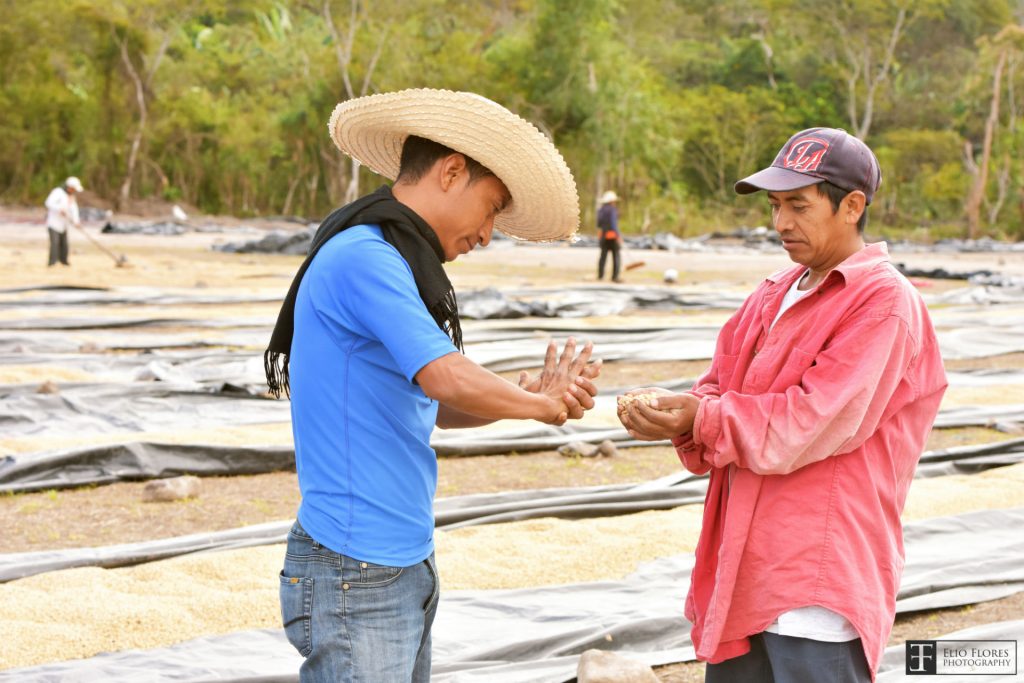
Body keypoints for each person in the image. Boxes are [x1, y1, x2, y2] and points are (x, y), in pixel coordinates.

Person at [265, 88, 602, 683]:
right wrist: (539, 405)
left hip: (396, 560)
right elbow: (445, 375)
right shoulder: (365, 258)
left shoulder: (392, 259)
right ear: (451, 172)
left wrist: (523, 391)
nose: (489, 233)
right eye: (493, 207)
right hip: (356, 569)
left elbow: (439, 405)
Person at [617, 127, 947, 682]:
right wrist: (680, 413)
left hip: (816, 582)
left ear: (853, 206)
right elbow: (718, 382)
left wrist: (702, 417)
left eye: (798, 205)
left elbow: (813, 421)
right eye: (774, 205)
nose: (781, 223)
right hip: (747, 568)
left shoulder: (884, 302)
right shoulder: (775, 290)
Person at [44, 176, 83, 266]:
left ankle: (63, 260)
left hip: (64, 224)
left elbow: (74, 209)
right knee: (55, 243)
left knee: (64, 243)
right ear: (69, 187)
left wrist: (76, 221)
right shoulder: (58, 192)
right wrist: (59, 209)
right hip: (54, 223)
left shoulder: (71, 197)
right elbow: (48, 203)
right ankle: (52, 262)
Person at [596, 189, 623, 282]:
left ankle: (600, 275)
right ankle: (615, 277)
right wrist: (618, 235)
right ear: (612, 201)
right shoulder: (612, 210)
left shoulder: (601, 210)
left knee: (603, 256)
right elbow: (613, 224)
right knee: (616, 256)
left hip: (603, 235)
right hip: (612, 236)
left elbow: (598, 224)